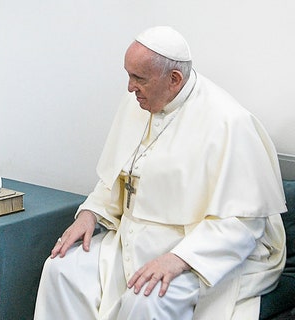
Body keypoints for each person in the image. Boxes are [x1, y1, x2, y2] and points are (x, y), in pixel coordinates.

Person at [34, 26, 287, 319]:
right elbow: (120, 176)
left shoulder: (229, 123)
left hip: (200, 251)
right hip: (131, 238)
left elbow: (242, 224)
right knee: (61, 269)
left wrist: (180, 258)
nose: (129, 88)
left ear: (174, 79)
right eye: (128, 75)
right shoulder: (140, 101)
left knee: (147, 299)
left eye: (138, 78)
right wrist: (91, 212)